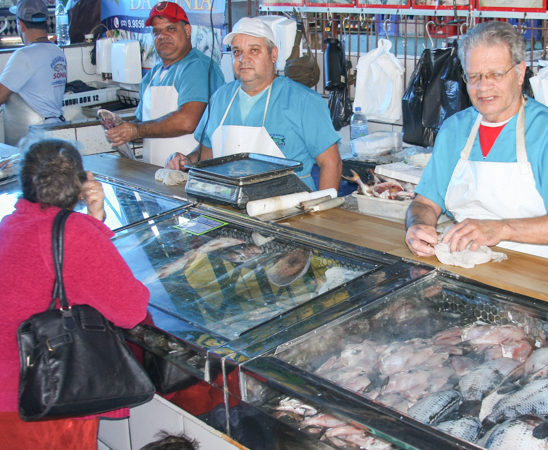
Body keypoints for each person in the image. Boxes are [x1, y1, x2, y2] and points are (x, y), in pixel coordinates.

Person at [405, 21, 548, 263]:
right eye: (474, 76)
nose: (483, 87)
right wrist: (418, 226)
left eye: (495, 74)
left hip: (539, 277)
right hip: (467, 271)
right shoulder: (454, 129)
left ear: (519, 73)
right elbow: (425, 202)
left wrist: (501, 229)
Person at [0, 138, 149, 449]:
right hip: (44, 398)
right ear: (80, 183)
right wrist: (92, 222)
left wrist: (93, 219)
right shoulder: (73, 233)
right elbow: (130, 310)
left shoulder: (12, 223)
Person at [165, 17, 342, 191]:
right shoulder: (220, 98)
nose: (243, 58)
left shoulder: (304, 101)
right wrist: (187, 161)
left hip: (290, 210)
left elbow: (331, 163)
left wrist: (318, 212)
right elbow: (207, 156)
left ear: (273, 54)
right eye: (237, 51)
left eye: (254, 50)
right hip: (228, 206)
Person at [106, 1, 225, 167]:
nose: (162, 36)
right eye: (157, 32)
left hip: (190, 173)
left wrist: (135, 130)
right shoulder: (152, 75)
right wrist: (122, 131)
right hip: (154, 173)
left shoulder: (197, 66)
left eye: (171, 29)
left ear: (188, 30)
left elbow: (187, 121)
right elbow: (143, 126)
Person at [0, 0, 66, 146]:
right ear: (46, 21)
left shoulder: (23, 55)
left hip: (33, 139)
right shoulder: (57, 51)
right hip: (55, 131)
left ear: (20, 25)